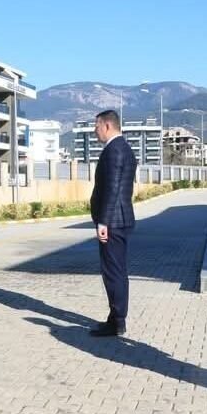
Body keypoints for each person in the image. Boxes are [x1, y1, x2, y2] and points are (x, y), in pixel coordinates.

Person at [88, 110, 137, 337]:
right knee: (117, 271)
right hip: (120, 220)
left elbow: (112, 189)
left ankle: (117, 322)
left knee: (113, 273)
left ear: (107, 125)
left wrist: (103, 222)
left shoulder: (114, 151)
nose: (94, 131)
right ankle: (116, 317)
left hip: (113, 221)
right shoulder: (123, 148)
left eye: (96, 126)